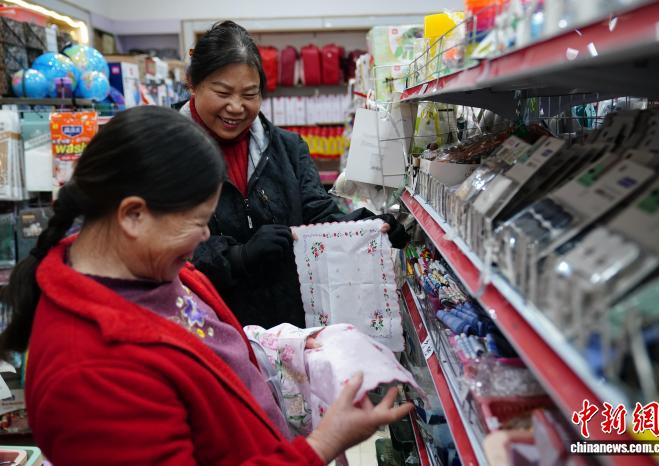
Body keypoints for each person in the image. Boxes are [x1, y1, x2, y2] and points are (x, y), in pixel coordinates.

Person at [0, 106, 412, 465]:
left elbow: (203, 340)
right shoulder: (88, 375)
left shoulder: (150, 270)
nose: (205, 237)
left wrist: (283, 347)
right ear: (133, 216)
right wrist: (322, 445)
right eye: (197, 222)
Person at [181, 20, 409, 329]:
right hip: (211, 327)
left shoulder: (288, 149)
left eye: (250, 94)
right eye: (222, 92)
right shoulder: (167, 152)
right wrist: (236, 256)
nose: (236, 107)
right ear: (192, 83)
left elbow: (317, 212)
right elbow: (157, 242)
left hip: (290, 330)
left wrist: (364, 227)